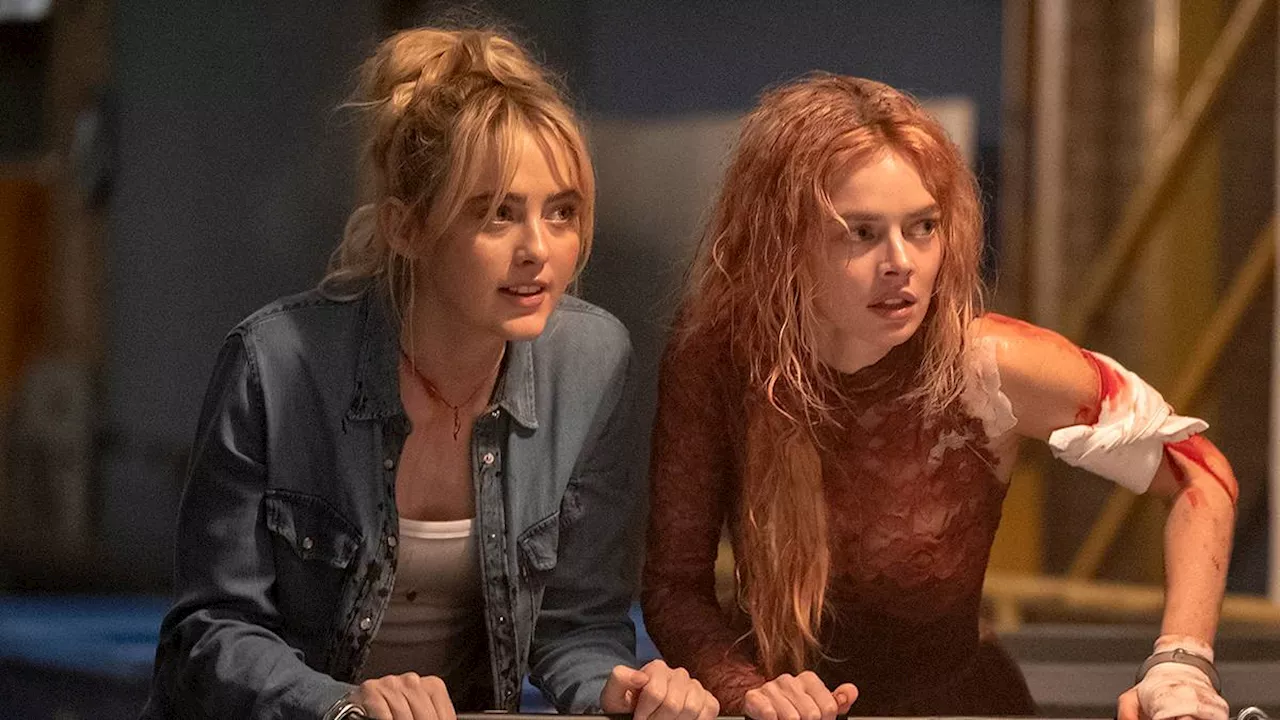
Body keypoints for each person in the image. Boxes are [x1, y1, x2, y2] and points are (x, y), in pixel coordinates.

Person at [140, 27, 719, 720]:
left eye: (562, 212)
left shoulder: (593, 363)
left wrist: (620, 689)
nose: (538, 249)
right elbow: (210, 635)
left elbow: (578, 626)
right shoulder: (274, 363)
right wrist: (343, 703)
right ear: (406, 228)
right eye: (498, 214)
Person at [641, 73, 1236, 720]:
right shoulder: (721, 354)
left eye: (923, 227)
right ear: (782, 242)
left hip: (961, 710)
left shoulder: (987, 365)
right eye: (860, 232)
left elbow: (1200, 473)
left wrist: (1182, 663)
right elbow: (675, 588)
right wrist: (746, 688)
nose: (900, 262)